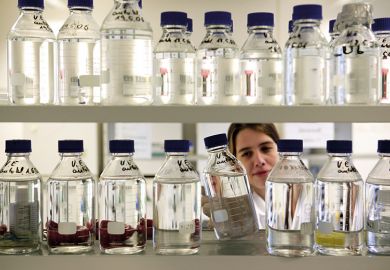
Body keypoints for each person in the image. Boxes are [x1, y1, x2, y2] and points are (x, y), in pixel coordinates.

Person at [202, 123, 280, 229]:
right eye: (247, 153)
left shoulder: (307, 193)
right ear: (234, 162)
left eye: (265, 148)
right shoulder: (236, 213)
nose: (259, 161)